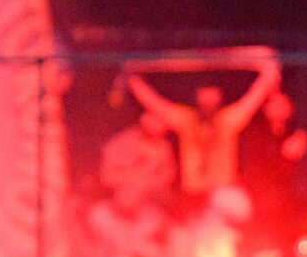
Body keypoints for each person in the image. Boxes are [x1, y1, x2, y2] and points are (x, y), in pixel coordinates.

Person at [120, 53, 282, 200]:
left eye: (212, 101)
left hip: (222, 192)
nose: (208, 103)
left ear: (219, 100)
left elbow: (254, 97)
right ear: (197, 100)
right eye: (204, 101)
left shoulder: (228, 120)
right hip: (192, 194)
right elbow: (154, 103)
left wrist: (268, 74)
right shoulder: (187, 119)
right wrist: (134, 80)